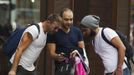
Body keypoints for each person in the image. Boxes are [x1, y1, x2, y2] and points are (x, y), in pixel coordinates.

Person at [47, 8, 89, 75]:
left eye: (71, 19)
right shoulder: (54, 32)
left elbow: (82, 50)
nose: (69, 22)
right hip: (61, 68)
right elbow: (51, 53)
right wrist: (58, 56)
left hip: (76, 68)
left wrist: (76, 52)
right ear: (61, 19)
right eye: (66, 19)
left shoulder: (77, 31)